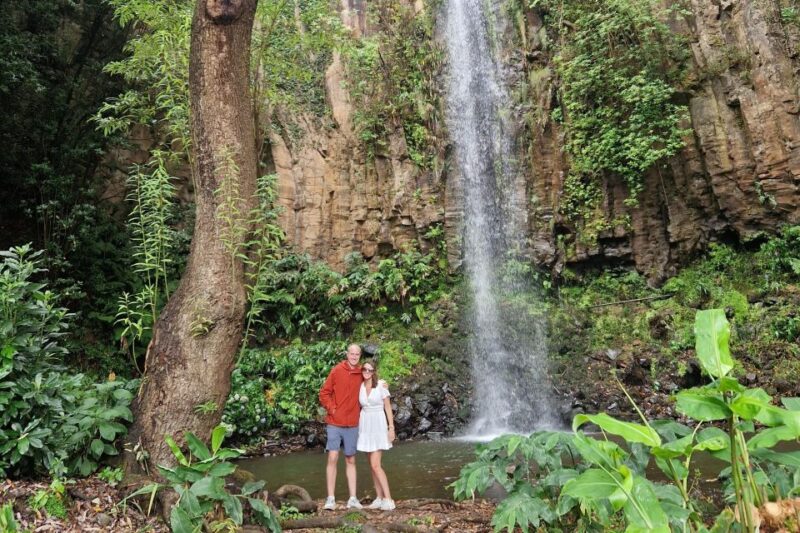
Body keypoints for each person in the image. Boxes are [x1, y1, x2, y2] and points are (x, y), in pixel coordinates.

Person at [319, 343, 364, 510]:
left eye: (357, 354)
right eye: (351, 353)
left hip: (353, 423)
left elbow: (372, 384)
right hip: (335, 423)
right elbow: (324, 393)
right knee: (332, 457)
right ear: (347, 354)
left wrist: (383, 385)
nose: (354, 356)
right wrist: (332, 408)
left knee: (351, 459)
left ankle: (353, 498)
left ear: (359, 356)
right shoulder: (337, 370)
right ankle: (330, 498)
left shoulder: (362, 373)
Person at [356, 360, 397, 511]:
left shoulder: (380, 385)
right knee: (371, 466)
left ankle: (389, 499)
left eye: (370, 370)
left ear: (374, 372)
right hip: (365, 426)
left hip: (378, 425)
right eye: (364, 369)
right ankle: (379, 498)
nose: (367, 372)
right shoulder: (359, 386)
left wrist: (391, 428)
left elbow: (387, 407)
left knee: (376, 465)